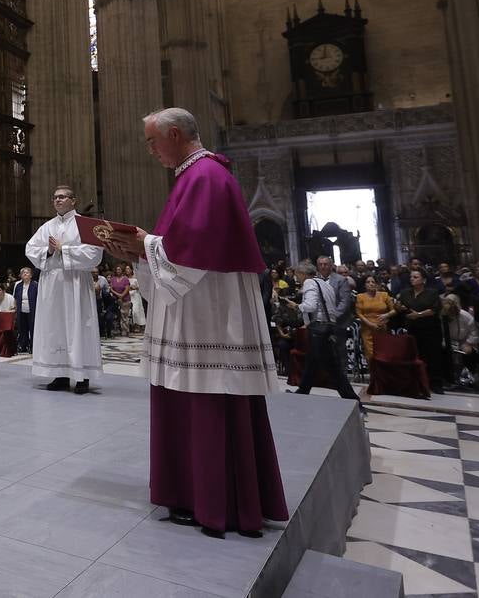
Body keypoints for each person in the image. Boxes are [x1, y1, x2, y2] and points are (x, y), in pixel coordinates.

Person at [105, 107, 287, 538]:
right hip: (198, 308)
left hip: (207, 316)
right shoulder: (197, 176)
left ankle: (211, 498)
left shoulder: (203, 176)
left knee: (205, 398)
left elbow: (189, 251)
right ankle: (201, 494)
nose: (149, 150)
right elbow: (179, 245)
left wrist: (143, 244)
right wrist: (139, 251)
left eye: (152, 141)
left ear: (173, 133)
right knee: (194, 398)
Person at [26, 185, 104, 394]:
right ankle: (59, 373)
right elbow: (30, 249)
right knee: (55, 327)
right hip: (52, 286)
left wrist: (64, 249)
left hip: (76, 284)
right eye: (55, 198)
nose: (58, 200)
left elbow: (95, 254)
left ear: (73, 200)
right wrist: (49, 251)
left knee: (78, 325)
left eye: (62, 197)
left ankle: (82, 376)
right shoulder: (47, 227)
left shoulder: (84, 225)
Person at [293, 258, 362, 405]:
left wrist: (297, 306)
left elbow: (310, 306)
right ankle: (302, 391)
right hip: (328, 326)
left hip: (318, 328)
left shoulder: (309, 282)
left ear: (302, 273)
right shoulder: (324, 283)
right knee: (312, 362)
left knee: (332, 367)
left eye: (297, 274)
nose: (297, 277)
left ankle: (353, 399)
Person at [389, 269, 446, 393]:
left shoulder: (432, 293)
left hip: (430, 329)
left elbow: (434, 309)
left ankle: (435, 382)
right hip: (412, 328)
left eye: (416, 277)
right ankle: (417, 381)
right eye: (411, 277)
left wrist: (419, 314)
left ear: (423, 280)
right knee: (415, 355)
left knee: (432, 356)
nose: (412, 279)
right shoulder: (405, 293)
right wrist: (399, 307)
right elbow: (400, 307)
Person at [440, 295, 479, 387]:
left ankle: (468, 376)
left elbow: (474, 331)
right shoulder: (441, 316)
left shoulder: (465, 316)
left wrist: (469, 344)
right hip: (446, 343)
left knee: (471, 354)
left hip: (464, 342)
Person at [354, 275, 391, 363]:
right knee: (370, 355)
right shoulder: (360, 296)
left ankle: (384, 375)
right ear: (364, 285)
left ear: (377, 284)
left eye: (373, 282)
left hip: (382, 327)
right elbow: (359, 313)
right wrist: (370, 324)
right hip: (367, 328)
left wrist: (386, 315)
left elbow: (394, 310)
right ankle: (373, 375)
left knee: (383, 353)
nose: (371, 284)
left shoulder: (384, 295)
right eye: (368, 282)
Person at [13, 267, 37, 354]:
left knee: (32, 328)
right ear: (21, 275)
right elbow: (15, 298)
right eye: (23, 273)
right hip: (21, 310)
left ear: (31, 275)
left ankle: (32, 346)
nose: (25, 274)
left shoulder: (35, 285)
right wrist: (15, 309)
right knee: (22, 329)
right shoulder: (18, 285)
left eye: (27, 272)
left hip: (32, 310)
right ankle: (23, 346)